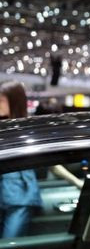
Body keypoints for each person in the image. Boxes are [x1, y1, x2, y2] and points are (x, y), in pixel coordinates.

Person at [0, 81, 43, 238]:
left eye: (1, 100)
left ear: (14, 101)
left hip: (20, 196)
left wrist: (76, 181)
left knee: (8, 245)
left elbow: (49, 160)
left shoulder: (28, 130)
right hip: (8, 194)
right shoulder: (3, 127)